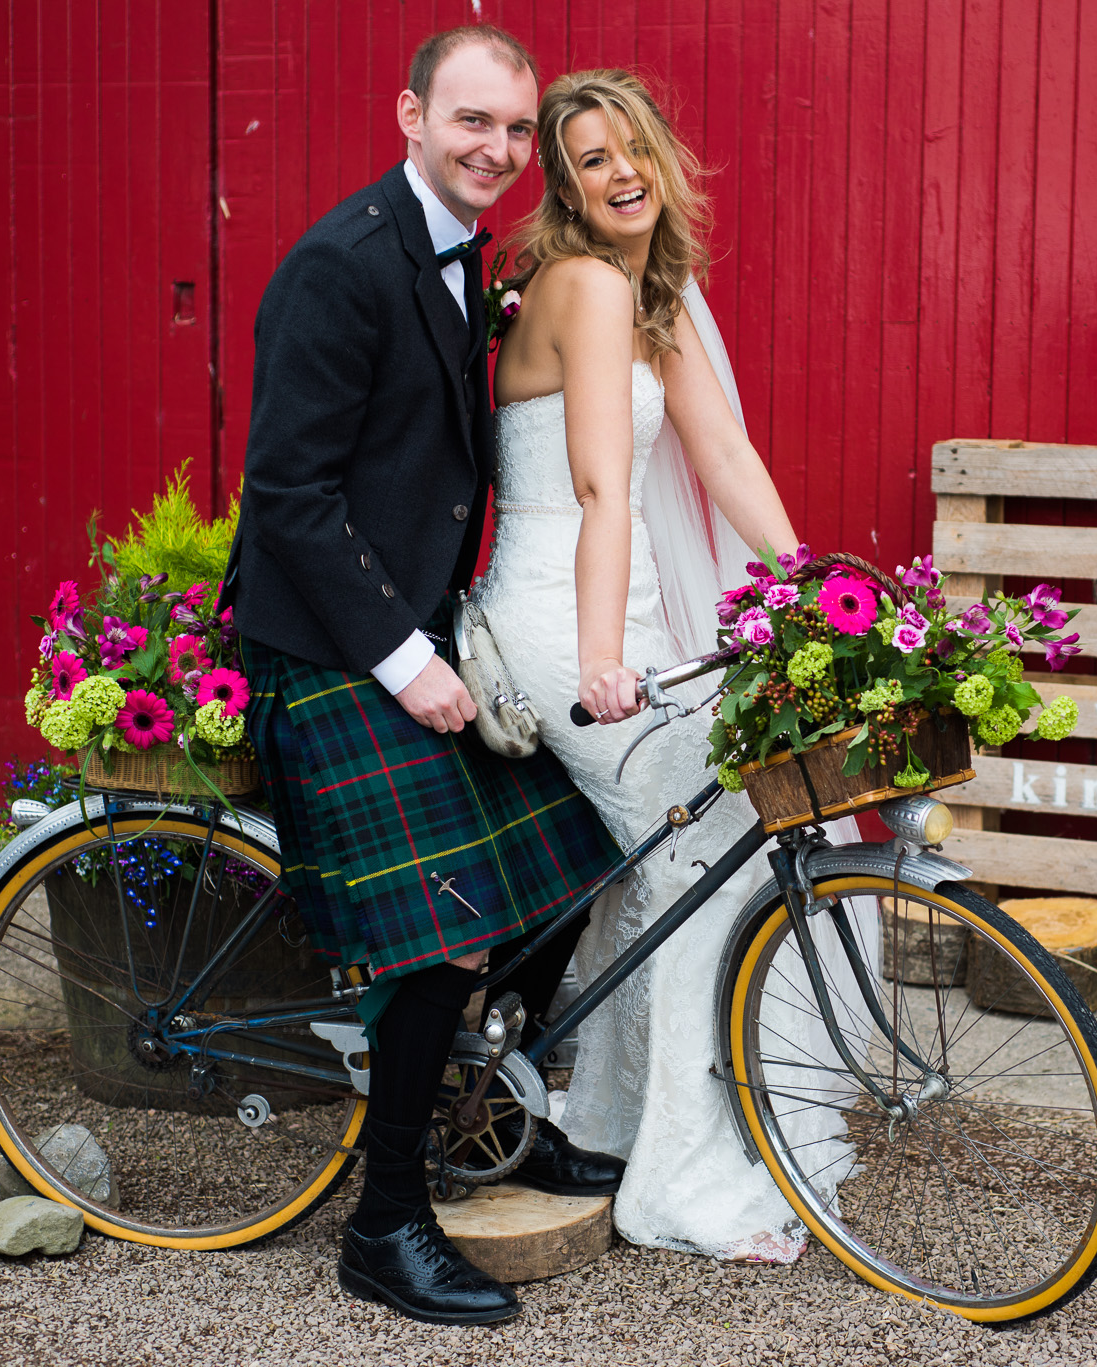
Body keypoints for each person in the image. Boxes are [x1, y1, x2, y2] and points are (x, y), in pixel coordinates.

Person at [221, 27, 626, 1326]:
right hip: (329, 649)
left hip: (416, 627)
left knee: (574, 861)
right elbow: (285, 491)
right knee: (449, 922)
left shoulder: (466, 261)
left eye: (516, 131)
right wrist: (406, 662)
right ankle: (385, 1220)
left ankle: (479, 1108)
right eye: (474, 123)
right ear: (410, 114)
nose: (499, 151)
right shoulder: (343, 265)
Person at [480, 68, 844, 1262]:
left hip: (627, 608)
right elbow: (595, 486)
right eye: (588, 157)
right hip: (556, 611)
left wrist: (814, 594)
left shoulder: (656, 291)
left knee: (697, 843)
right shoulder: (582, 284)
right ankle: (668, 1178)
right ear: (565, 186)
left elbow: (724, 454)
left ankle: (607, 1115)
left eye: (629, 146)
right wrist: (595, 656)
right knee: (699, 854)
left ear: (662, 155)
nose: (617, 170)